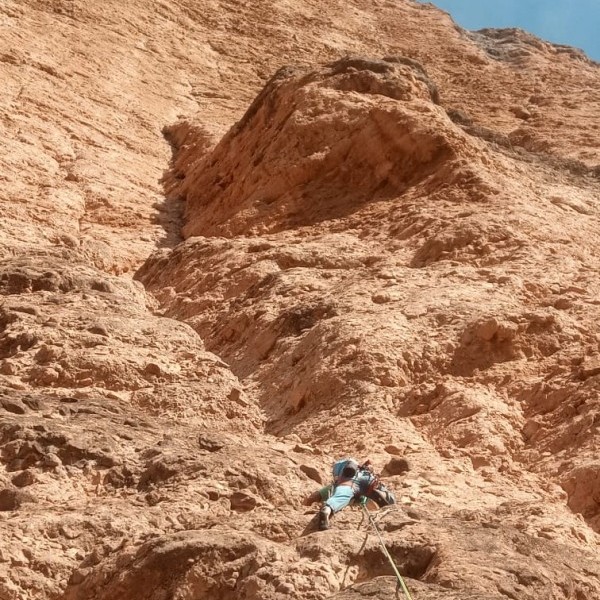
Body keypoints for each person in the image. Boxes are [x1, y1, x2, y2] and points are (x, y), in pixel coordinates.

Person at [303, 458, 396, 530]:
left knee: (340, 496)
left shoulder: (337, 483)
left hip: (349, 483)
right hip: (368, 480)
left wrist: (305, 504)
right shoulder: (363, 470)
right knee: (380, 493)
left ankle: (327, 509)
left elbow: (314, 497)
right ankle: (390, 505)